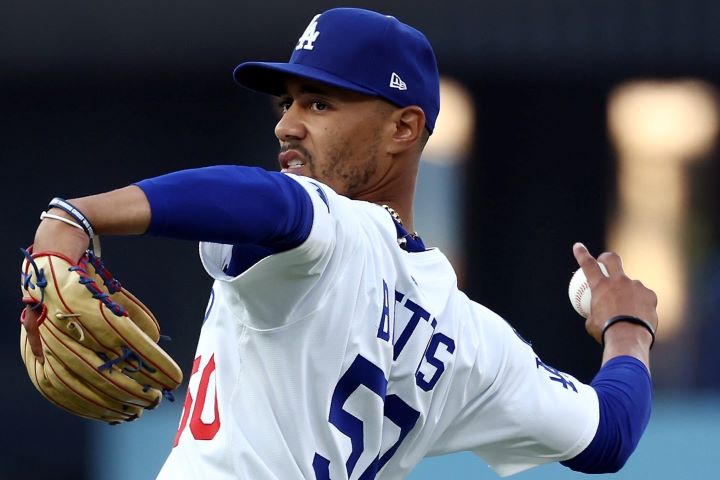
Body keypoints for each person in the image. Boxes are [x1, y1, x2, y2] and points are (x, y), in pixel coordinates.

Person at [23, 7, 658, 479]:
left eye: (320, 104)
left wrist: (77, 216)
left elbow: (265, 200)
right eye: (287, 102)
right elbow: (609, 434)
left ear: (404, 127)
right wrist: (627, 327)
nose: (287, 124)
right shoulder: (473, 340)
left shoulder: (337, 229)